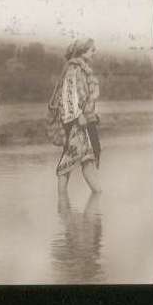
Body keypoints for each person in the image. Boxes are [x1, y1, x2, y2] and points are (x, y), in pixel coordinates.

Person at [49, 38, 102, 195]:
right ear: (83, 51)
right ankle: (66, 203)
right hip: (77, 122)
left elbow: (83, 96)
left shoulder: (81, 68)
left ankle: (91, 199)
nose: (94, 53)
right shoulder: (74, 69)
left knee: (84, 158)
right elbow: (68, 96)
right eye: (92, 50)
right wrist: (79, 117)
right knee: (72, 160)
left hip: (82, 120)